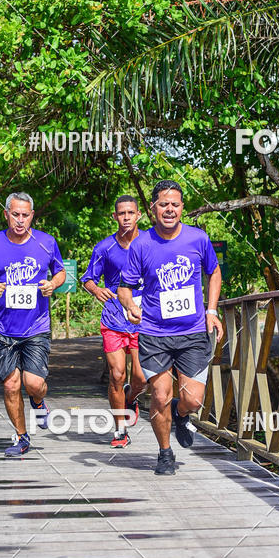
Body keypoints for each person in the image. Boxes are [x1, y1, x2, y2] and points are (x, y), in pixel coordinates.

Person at [118, 180, 223, 476]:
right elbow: (124, 288)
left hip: (191, 333)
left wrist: (211, 310)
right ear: (153, 209)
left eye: (175, 205)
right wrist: (131, 306)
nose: (169, 210)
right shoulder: (141, 244)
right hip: (154, 333)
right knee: (160, 395)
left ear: (182, 209)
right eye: (163, 204)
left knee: (194, 399)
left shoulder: (198, 238)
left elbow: (213, 272)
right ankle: (165, 453)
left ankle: (181, 412)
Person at [0, 192, 66, 457]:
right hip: (2, 327)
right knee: (11, 385)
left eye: (25, 215)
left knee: (33, 383)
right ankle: (22, 437)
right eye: (15, 214)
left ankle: (39, 402)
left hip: (35, 326)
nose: (20, 220)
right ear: (6, 214)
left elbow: (60, 272)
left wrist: (52, 284)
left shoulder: (46, 242)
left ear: (32, 216)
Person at [81, 195, 147, 448]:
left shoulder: (151, 243)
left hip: (144, 320)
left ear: (138, 214)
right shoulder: (105, 247)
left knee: (141, 378)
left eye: (131, 212)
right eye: (122, 213)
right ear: (115, 217)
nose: (127, 217)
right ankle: (120, 429)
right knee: (117, 375)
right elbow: (88, 278)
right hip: (113, 318)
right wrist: (96, 290)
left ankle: (131, 399)